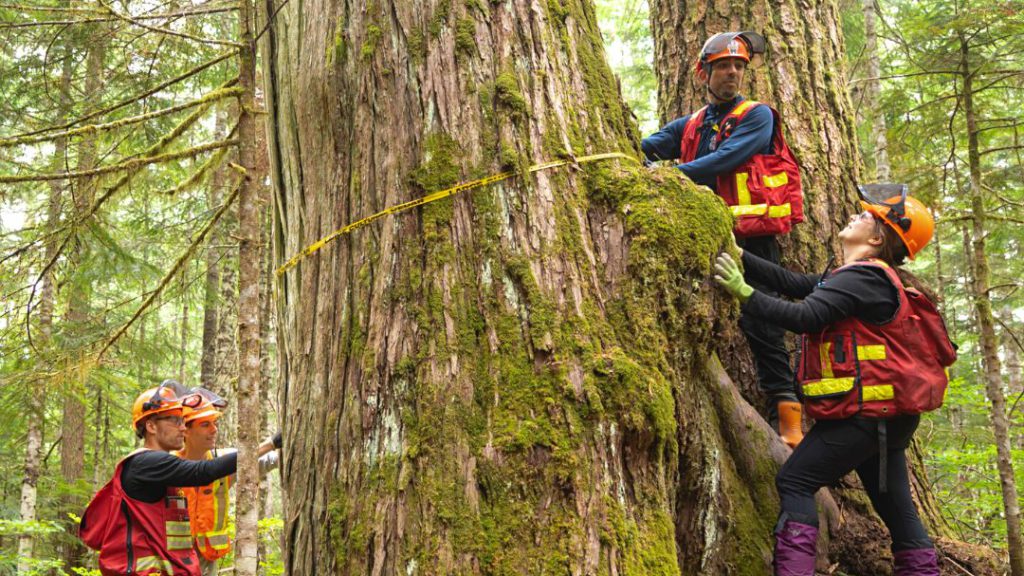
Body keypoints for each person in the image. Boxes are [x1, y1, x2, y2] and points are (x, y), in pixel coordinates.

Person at [713, 187, 954, 575]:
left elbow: (805, 316)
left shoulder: (863, 277)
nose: (855, 217)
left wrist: (744, 293)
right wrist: (744, 258)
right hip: (890, 417)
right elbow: (797, 284)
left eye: (866, 217)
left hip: (863, 418)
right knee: (897, 512)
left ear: (877, 239)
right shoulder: (873, 278)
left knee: (795, 481)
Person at [642, 30, 806, 446]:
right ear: (704, 72)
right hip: (703, 238)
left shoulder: (758, 115)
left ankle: (788, 419)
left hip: (754, 241)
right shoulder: (692, 124)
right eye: (723, 66)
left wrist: (667, 176)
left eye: (738, 66)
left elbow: (727, 159)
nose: (732, 72)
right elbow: (648, 146)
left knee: (763, 323)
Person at [79, 381, 238, 576]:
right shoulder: (146, 462)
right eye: (174, 420)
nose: (182, 428)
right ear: (151, 426)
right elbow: (203, 472)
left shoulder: (155, 465)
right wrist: (260, 447)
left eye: (183, 421)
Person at [174, 389, 282, 576]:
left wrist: (282, 443)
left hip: (207, 562)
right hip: (171, 562)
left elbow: (264, 461)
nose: (214, 429)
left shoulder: (225, 460)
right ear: (186, 430)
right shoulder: (166, 466)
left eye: (215, 423)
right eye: (205, 424)